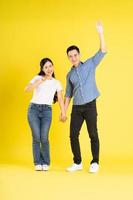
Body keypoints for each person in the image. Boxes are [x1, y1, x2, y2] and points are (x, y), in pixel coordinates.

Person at [60, 22, 107, 173]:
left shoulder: (90, 64)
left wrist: (100, 33)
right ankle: (78, 162)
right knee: (73, 135)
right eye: (70, 56)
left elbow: (102, 51)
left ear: (79, 55)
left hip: (90, 105)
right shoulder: (69, 75)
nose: (73, 58)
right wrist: (63, 111)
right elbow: (68, 94)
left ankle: (95, 162)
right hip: (77, 108)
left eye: (75, 55)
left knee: (93, 133)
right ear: (68, 58)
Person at [25, 58, 66, 171]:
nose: (49, 69)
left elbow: (61, 100)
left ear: (53, 67)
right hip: (34, 109)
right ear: (42, 69)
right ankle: (37, 162)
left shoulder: (57, 83)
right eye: (46, 67)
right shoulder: (38, 78)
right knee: (36, 137)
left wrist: (63, 113)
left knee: (44, 137)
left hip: (47, 111)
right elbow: (27, 89)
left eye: (50, 66)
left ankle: (46, 162)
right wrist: (41, 80)